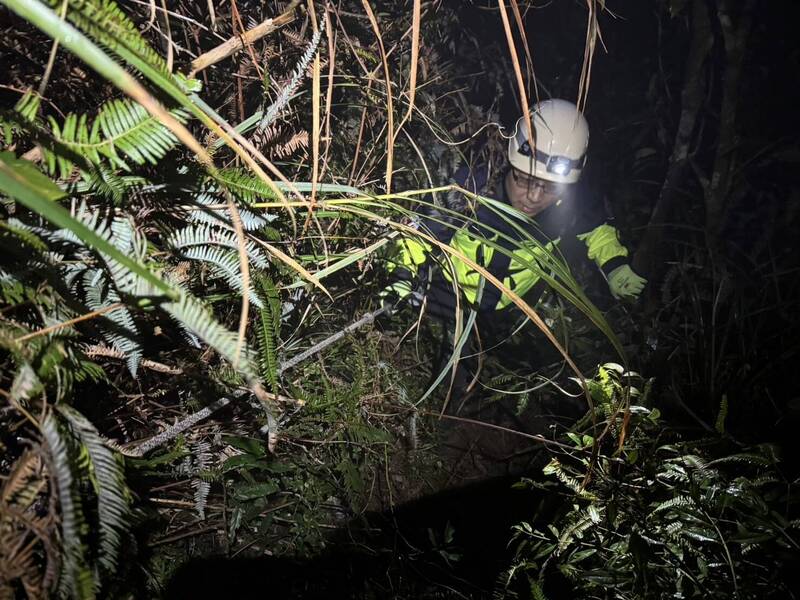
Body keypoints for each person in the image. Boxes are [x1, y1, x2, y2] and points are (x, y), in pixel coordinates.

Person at [380, 98, 647, 334]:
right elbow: (420, 231)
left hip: (510, 314)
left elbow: (596, 230)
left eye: (550, 187)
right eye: (524, 179)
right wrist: (401, 277)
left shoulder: (572, 203)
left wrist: (616, 268)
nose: (533, 196)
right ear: (511, 163)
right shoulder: (472, 187)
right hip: (446, 295)